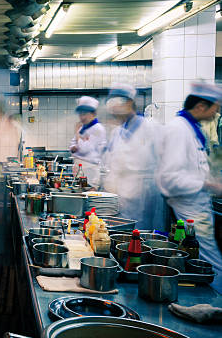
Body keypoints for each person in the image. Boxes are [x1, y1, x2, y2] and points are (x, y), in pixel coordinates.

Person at [156, 82, 222, 294]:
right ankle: (212, 312)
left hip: (198, 208)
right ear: (201, 106)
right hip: (190, 211)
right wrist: (207, 184)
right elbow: (170, 179)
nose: (216, 114)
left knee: (206, 264)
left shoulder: (191, 129)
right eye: (215, 108)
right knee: (210, 266)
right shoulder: (178, 130)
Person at [102, 83, 165, 230]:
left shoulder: (151, 128)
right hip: (120, 199)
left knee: (141, 237)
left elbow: (165, 161)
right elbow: (112, 164)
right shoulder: (117, 132)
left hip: (144, 198)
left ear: (129, 103)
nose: (114, 113)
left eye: (117, 106)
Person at [69, 96, 107, 189]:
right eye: (80, 114)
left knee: (88, 195)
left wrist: (77, 132)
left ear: (93, 113)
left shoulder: (97, 128)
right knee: (82, 193)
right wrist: (74, 146)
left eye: (84, 114)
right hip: (81, 170)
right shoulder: (84, 128)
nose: (82, 117)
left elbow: (84, 149)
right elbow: (73, 144)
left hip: (90, 172)